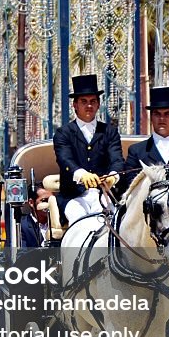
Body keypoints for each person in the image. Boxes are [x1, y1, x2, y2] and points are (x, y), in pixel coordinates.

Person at [53, 73, 124, 225]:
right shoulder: (63, 133)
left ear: (98, 104)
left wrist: (113, 176)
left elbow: (117, 159)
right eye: (84, 101)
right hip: (73, 198)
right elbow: (65, 159)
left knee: (114, 223)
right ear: (75, 105)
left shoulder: (109, 131)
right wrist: (81, 174)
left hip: (103, 195)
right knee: (79, 220)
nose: (89, 105)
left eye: (93, 101)